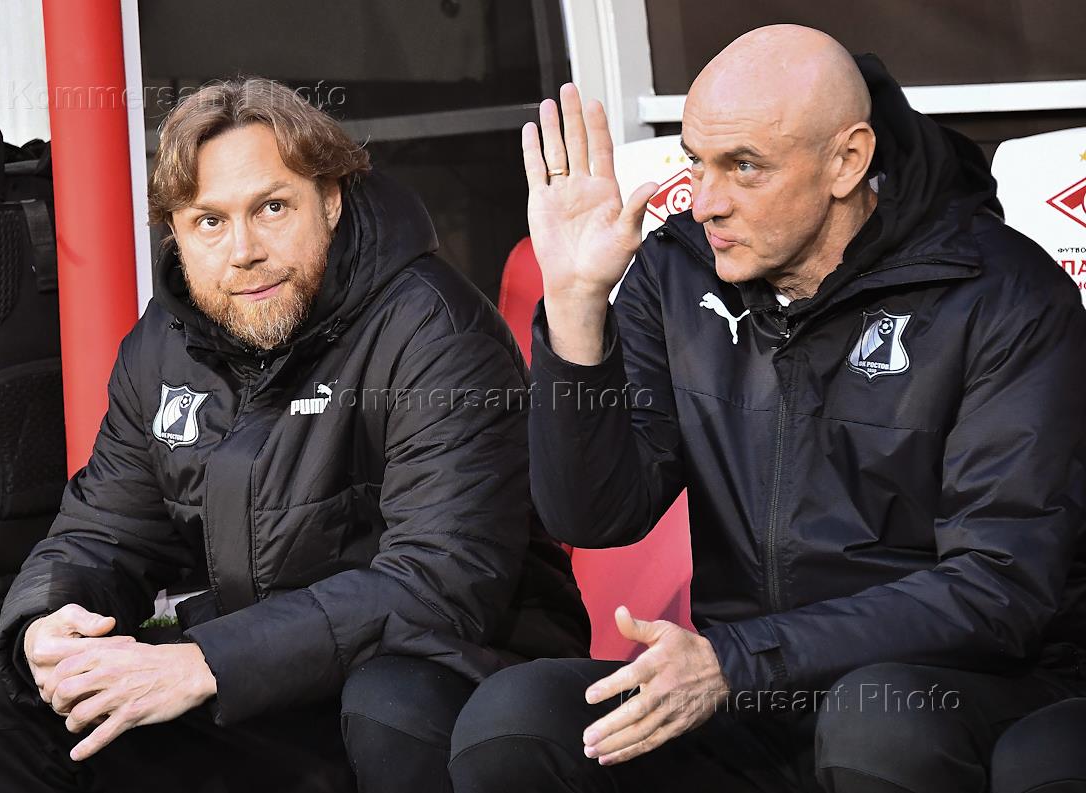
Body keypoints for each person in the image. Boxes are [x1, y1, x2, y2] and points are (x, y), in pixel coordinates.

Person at [449, 24, 1086, 793]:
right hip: (746, 689)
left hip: (946, 690)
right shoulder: (679, 271)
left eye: (744, 167)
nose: (705, 202)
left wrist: (740, 659)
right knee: (516, 719)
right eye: (696, 161)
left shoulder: (1002, 293)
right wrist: (578, 304)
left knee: (875, 725)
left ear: (846, 161)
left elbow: (997, 589)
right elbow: (592, 514)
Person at [0, 77, 589, 793]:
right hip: (266, 686)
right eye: (209, 222)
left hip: (453, 688)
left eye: (271, 208)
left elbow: (441, 582)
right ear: (176, 233)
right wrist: (49, 621)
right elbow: (103, 533)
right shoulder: (162, 346)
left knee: (389, 701)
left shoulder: (434, 327)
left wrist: (208, 661)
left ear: (330, 201)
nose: (242, 250)